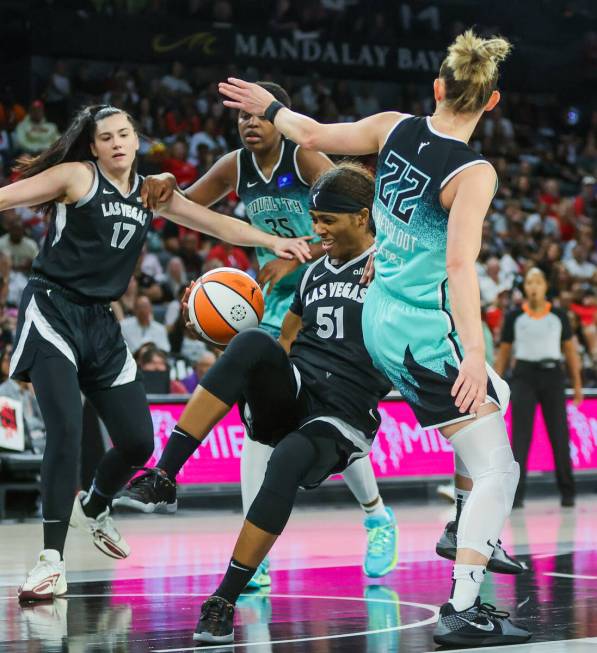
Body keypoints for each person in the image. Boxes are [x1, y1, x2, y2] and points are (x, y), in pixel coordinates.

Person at [219, 29, 531, 646]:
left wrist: (271, 107)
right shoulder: (474, 171)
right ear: (491, 103)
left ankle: (461, 529)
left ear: (438, 87)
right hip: (418, 332)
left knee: (497, 399)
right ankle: (462, 608)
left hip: (377, 315)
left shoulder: (395, 127)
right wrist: (470, 350)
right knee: (499, 468)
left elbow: (311, 136)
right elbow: (461, 266)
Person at [0, 104, 310, 603]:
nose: (118, 142)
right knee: (66, 427)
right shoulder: (76, 176)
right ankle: (50, 560)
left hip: (101, 321)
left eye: (126, 133)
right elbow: (6, 197)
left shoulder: (151, 193)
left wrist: (277, 242)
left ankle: (96, 506)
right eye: (107, 137)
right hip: (52, 308)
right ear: (94, 146)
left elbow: (217, 225)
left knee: (138, 442)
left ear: (138, 139)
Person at [120, 83, 399, 586]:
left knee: (332, 413)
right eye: (241, 119)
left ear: (278, 119)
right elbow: (183, 205)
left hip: (335, 290)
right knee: (261, 430)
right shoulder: (234, 165)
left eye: (258, 116)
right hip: (272, 307)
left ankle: (376, 515)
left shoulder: (307, 156)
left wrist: (299, 250)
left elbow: (351, 214)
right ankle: (258, 559)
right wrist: (162, 179)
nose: (248, 125)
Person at [495, 268, 583, 507]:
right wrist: (494, 384)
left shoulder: (558, 315)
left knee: (559, 436)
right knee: (521, 438)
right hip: (524, 376)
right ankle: (517, 496)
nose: (533, 286)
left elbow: (570, 352)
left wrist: (576, 384)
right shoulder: (514, 316)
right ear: (525, 288)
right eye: (530, 282)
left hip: (553, 376)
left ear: (545, 286)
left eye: (538, 281)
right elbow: (503, 354)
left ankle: (567, 493)